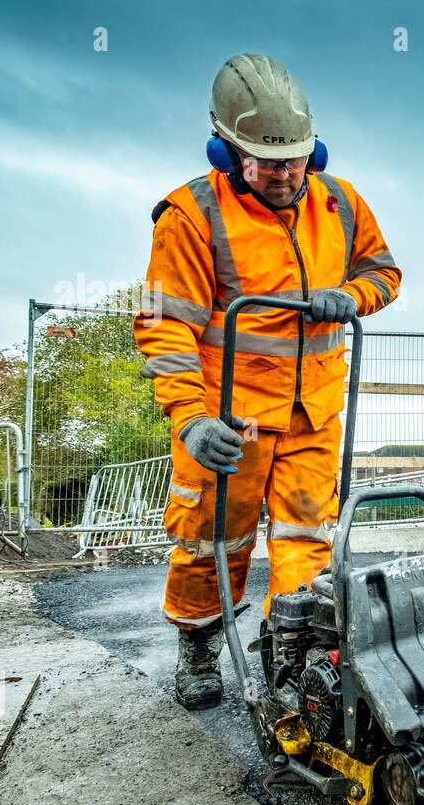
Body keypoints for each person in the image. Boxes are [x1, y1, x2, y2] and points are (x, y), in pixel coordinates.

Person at [133, 53, 401, 709]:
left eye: (298, 160)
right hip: (230, 418)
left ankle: (293, 658)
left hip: (313, 412)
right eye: (269, 163)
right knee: (209, 540)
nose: (288, 177)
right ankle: (197, 641)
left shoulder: (340, 202)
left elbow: (385, 271)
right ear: (225, 151)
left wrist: (353, 295)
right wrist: (190, 421)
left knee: (307, 540)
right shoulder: (192, 215)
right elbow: (167, 327)